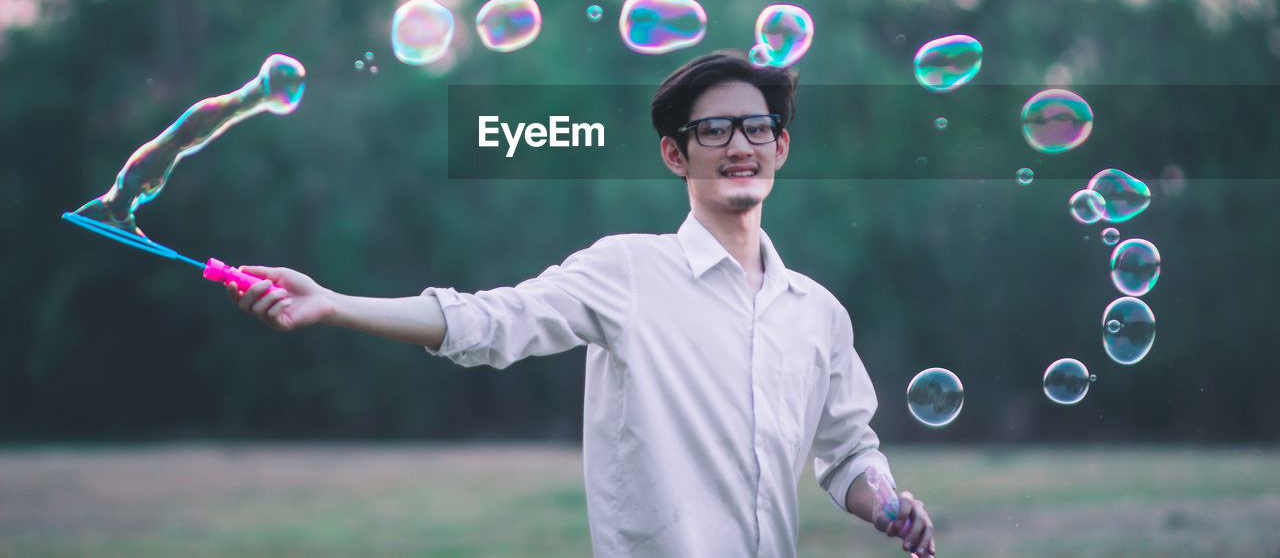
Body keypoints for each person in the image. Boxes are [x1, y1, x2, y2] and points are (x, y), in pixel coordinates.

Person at [230, 48, 937, 558]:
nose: (737, 145)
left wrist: (888, 503)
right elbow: (490, 320)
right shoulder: (627, 269)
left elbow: (848, 452)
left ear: (780, 144)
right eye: (712, 131)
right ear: (674, 154)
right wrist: (334, 303)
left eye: (755, 127)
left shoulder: (819, 313)